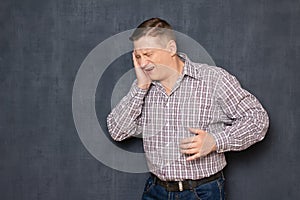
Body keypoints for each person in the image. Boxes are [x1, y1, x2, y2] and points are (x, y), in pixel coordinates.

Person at [107, 18, 269, 200]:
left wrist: (216, 141)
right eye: (138, 57)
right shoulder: (143, 88)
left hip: (202, 193)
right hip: (155, 191)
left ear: (171, 49)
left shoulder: (213, 80)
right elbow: (117, 131)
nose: (143, 63)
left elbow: (257, 119)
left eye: (148, 54)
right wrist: (141, 87)